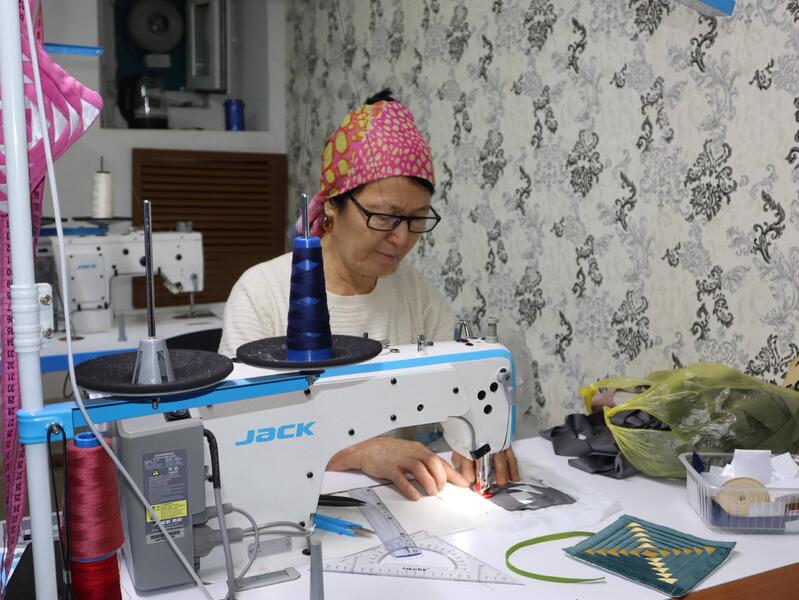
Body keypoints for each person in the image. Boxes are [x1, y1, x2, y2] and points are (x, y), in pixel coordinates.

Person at [218, 89, 519, 501]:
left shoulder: (415, 295)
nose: (401, 238)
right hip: (285, 503)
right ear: (332, 206)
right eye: (384, 217)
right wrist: (357, 452)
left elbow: (466, 388)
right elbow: (234, 429)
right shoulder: (262, 293)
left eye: (416, 219)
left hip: (394, 502)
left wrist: (481, 440)